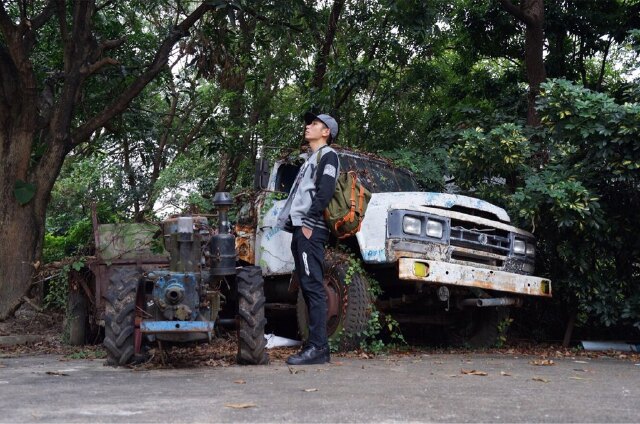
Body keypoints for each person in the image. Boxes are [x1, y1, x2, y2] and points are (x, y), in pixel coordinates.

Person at [276, 112, 340, 365]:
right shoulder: (310, 159)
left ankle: (318, 348)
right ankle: (314, 344)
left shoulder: (328, 155)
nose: (308, 126)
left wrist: (310, 223)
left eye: (314, 124)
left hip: (310, 229)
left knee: (313, 287)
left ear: (326, 132)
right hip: (301, 228)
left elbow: (326, 191)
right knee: (308, 286)